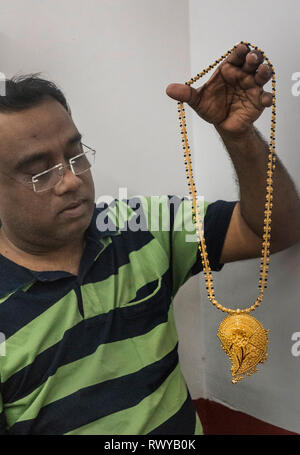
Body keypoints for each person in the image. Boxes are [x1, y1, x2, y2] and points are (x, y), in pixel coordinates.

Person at [0, 43, 299, 435]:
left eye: (76, 155)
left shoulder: (144, 226)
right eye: (40, 172)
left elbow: (277, 230)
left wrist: (239, 137)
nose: (72, 180)